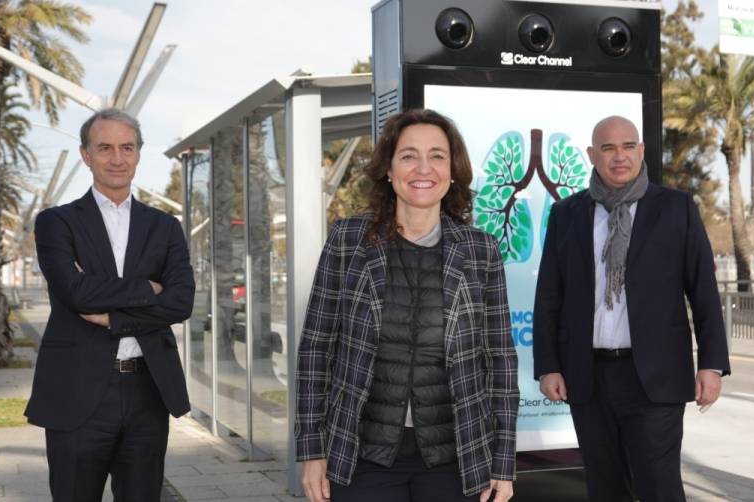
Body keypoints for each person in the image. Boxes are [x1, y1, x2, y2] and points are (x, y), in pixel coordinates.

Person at [295, 109, 518, 502]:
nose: (423, 168)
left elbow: (499, 358)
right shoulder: (348, 240)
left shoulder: (481, 250)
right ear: (388, 169)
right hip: (362, 455)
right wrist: (312, 449)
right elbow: (316, 348)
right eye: (408, 155)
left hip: (457, 458)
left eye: (437, 156)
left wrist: (503, 462)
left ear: (452, 172)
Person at [532, 115, 730, 501]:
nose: (618, 156)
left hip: (655, 379)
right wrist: (548, 366)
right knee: (605, 488)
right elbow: (549, 296)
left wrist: (711, 364)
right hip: (588, 379)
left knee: (659, 488)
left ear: (641, 151)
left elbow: (703, 291)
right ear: (592, 155)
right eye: (607, 148)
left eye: (627, 146)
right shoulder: (567, 214)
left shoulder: (676, 208)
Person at [25, 108, 195, 501]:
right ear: (86, 155)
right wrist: (150, 288)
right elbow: (76, 294)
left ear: (138, 153)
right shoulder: (56, 223)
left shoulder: (165, 226)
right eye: (105, 148)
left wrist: (114, 315)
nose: (117, 158)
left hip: (148, 390)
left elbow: (181, 301)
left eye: (127, 147)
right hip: (77, 391)